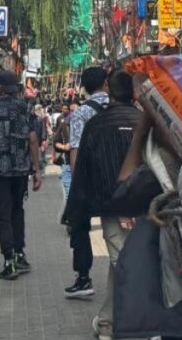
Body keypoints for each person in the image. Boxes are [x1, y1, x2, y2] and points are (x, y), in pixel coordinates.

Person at [65, 70, 142, 340]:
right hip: (142, 207)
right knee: (123, 261)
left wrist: (77, 211)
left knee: (122, 263)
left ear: (109, 90)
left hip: (111, 207)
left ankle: (119, 324)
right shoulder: (144, 121)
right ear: (133, 93)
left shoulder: (95, 124)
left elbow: (83, 170)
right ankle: (109, 323)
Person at [0, 70, 42, 280]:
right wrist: (37, 169)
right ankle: (20, 253)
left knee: (2, 214)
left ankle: (9, 260)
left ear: (1, 87)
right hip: (21, 170)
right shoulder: (26, 108)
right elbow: (33, 140)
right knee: (17, 210)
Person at [63, 67, 109, 300]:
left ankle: (84, 278)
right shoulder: (119, 106)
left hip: (89, 178)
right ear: (106, 83)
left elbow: (75, 150)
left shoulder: (80, 113)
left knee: (79, 226)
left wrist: (75, 182)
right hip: (117, 178)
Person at [53, 103, 73, 198]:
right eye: (64, 108)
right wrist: (64, 147)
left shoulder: (86, 123)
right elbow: (56, 140)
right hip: (67, 161)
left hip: (81, 165)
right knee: (69, 195)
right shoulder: (62, 122)